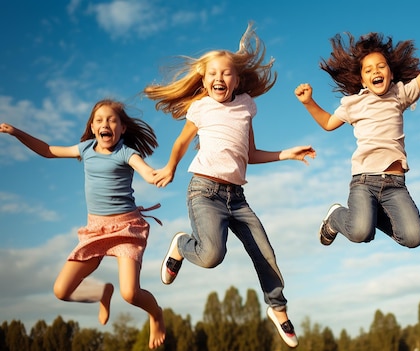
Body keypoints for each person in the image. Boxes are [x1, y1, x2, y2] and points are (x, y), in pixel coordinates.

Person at [143, 22, 315, 348]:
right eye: (212, 74)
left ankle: (277, 309)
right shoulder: (200, 108)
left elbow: (249, 153)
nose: (219, 79)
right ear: (203, 80)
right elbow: (181, 143)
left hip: (237, 198)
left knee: (265, 254)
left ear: (237, 79)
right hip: (204, 192)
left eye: (226, 73)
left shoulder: (247, 106)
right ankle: (181, 245)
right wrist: (170, 167)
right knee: (211, 256)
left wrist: (286, 154)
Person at [0, 99, 166, 349]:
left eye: (112, 120)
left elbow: (145, 170)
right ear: (92, 126)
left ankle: (156, 314)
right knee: (61, 290)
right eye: (99, 120)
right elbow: (47, 150)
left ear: (122, 128)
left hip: (126, 229)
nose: (105, 124)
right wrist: (16, 133)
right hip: (95, 230)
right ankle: (101, 293)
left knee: (131, 293)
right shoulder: (86, 149)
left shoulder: (126, 153)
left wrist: (158, 175)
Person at [294, 12, 420, 247]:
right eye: (368, 70)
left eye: (381, 66)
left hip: (395, 184)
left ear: (391, 73)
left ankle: (368, 215)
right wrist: (308, 102)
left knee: (414, 237)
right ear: (363, 81)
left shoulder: (400, 95)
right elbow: (328, 123)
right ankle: (335, 218)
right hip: (364, 181)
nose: (376, 71)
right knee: (360, 232)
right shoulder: (355, 103)